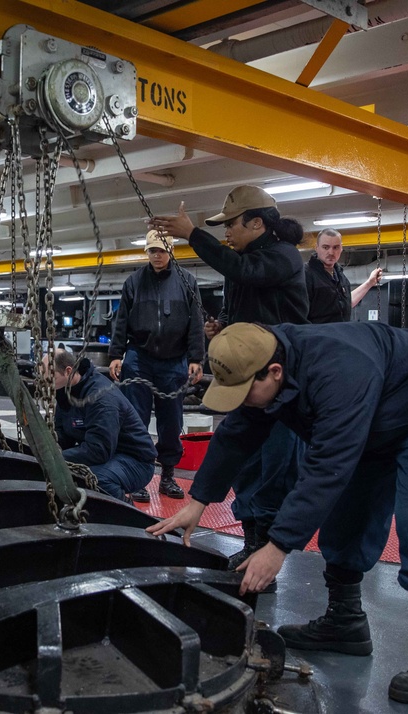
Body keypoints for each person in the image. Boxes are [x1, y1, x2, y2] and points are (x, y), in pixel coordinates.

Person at [149, 322, 408, 704]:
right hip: (377, 418)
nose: (240, 401)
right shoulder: (267, 359)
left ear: (274, 372)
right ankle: (345, 621)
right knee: (343, 517)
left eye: (244, 391)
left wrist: (277, 547)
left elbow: (326, 467)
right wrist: (198, 501)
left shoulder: (339, 372)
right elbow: (237, 432)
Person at [149, 185, 308, 571]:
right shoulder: (246, 260)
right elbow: (246, 293)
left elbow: (246, 272)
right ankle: (253, 544)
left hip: (279, 384)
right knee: (248, 464)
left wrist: (192, 234)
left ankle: (267, 555)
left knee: (275, 468)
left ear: (256, 223)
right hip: (249, 380)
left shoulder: (283, 256)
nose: (227, 233)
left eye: (231, 225)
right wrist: (223, 326)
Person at [108, 230, 204, 503]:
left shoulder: (187, 282)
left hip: (174, 360)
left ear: (170, 250)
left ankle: (168, 476)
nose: (157, 255)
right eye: (152, 251)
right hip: (139, 357)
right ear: (147, 252)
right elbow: (121, 321)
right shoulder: (134, 282)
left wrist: (196, 359)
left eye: (161, 251)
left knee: (171, 422)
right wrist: (117, 354)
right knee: (135, 420)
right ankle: (136, 477)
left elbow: (196, 323)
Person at [46, 349, 157, 502]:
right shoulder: (65, 392)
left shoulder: (101, 398)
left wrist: (56, 458)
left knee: (95, 478)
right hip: (109, 454)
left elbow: (98, 450)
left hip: (136, 461)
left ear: (68, 371)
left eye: (50, 378)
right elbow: (63, 434)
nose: (46, 384)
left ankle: (127, 514)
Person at [306, 228, 383, 323]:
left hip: (340, 334)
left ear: (341, 248)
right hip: (317, 335)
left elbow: (347, 303)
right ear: (316, 247)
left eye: (335, 247)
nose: (331, 252)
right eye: (326, 247)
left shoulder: (340, 276)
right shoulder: (306, 275)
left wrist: (369, 283)